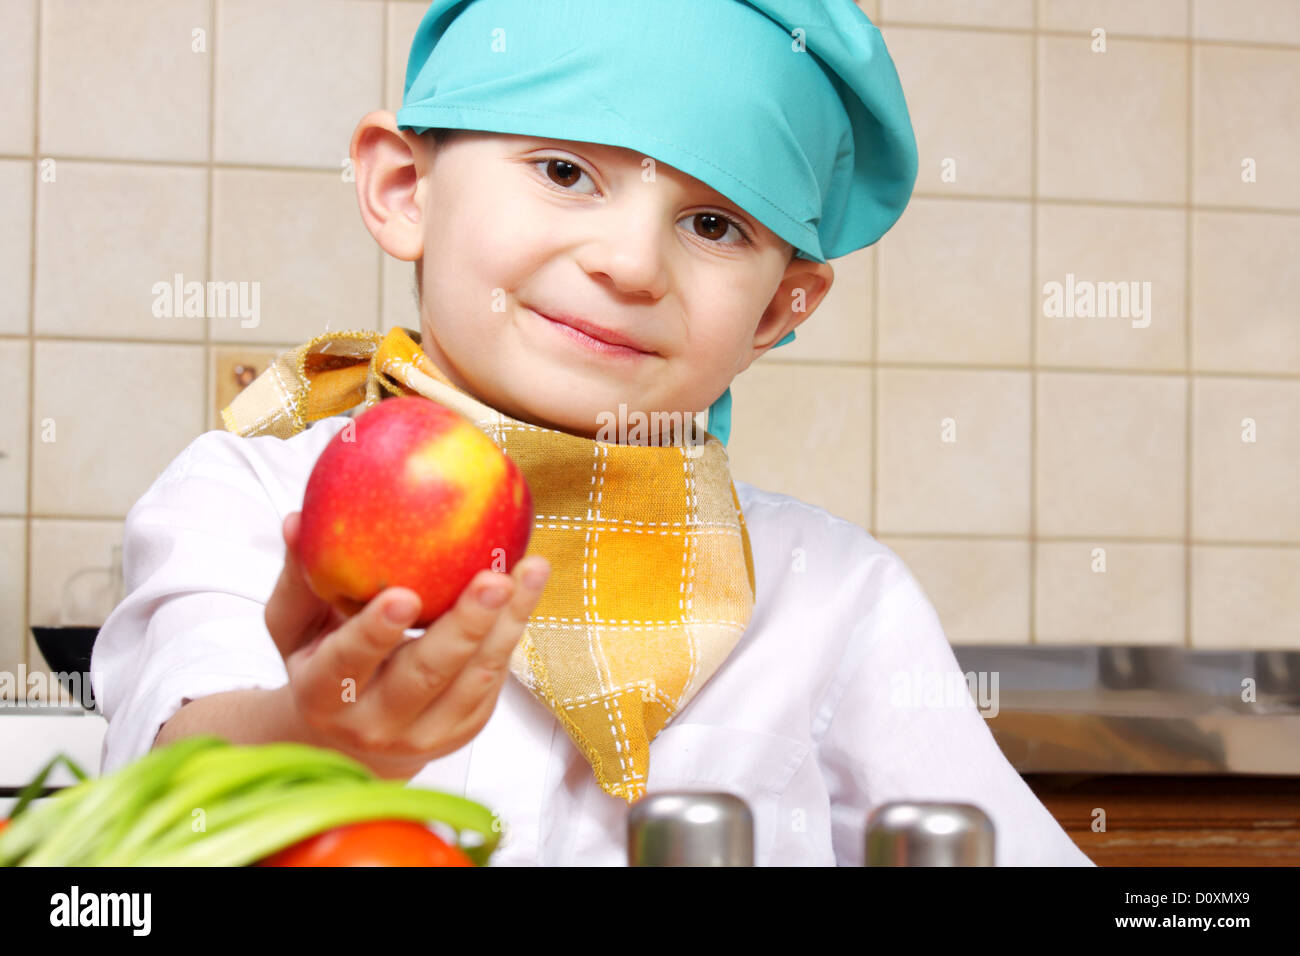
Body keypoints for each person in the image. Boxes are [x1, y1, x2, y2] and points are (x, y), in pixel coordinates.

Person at [91, 0, 1095, 866]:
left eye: (713, 225)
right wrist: (304, 733)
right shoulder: (247, 500)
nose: (628, 262)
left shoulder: (837, 596)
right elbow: (157, 790)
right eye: (565, 170)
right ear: (404, 189)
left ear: (776, 310)